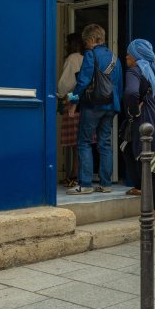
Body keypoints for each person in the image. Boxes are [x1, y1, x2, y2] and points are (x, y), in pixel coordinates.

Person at [66, 24, 123, 195]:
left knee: (84, 142)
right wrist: (115, 104)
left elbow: (82, 82)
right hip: (112, 106)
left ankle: (85, 184)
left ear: (92, 39)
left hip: (94, 105)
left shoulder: (90, 55)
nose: (85, 46)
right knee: (104, 143)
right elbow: (119, 85)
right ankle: (105, 184)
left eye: (85, 43)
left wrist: (74, 102)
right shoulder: (115, 58)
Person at [121, 39, 155, 218]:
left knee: (150, 163)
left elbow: (131, 92)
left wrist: (134, 111)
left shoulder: (135, 71)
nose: (126, 57)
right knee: (127, 148)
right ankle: (139, 186)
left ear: (136, 56)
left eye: (128, 54)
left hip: (147, 120)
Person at [58, 33, 86, 188]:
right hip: (84, 102)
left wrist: (60, 95)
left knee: (75, 142)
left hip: (72, 100)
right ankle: (77, 172)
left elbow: (64, 84)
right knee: (81, 141)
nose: (65, 45)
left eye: (66, 42)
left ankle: (75, 173)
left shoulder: (72, 59)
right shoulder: (85, 58)